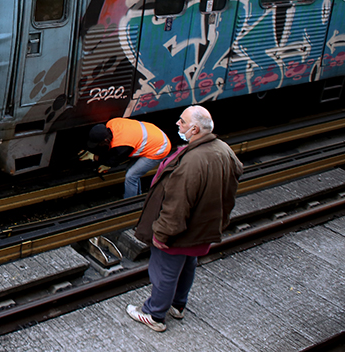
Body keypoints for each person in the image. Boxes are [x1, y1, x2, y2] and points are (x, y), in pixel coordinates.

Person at [126, 105, 243, 332]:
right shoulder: (223, 148)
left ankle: (154, 314)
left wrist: (161, 233)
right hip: (202, 227)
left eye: (182, 121)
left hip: (180, 231)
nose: (178, 124)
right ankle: (178, 306)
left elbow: (177, 205)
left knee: (165, 272)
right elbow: (237, 171)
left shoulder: (192, 162)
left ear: (195, 129)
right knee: (188, 266)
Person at [81, 117, 171, 198]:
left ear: (105, 140)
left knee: (131, 176)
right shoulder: (111, 123)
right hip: (154, 135)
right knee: (131, 170)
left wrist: (94, 157)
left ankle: (129, 202)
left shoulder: (122, 145)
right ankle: (137, 195)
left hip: (159, 148)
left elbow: (113, 161)